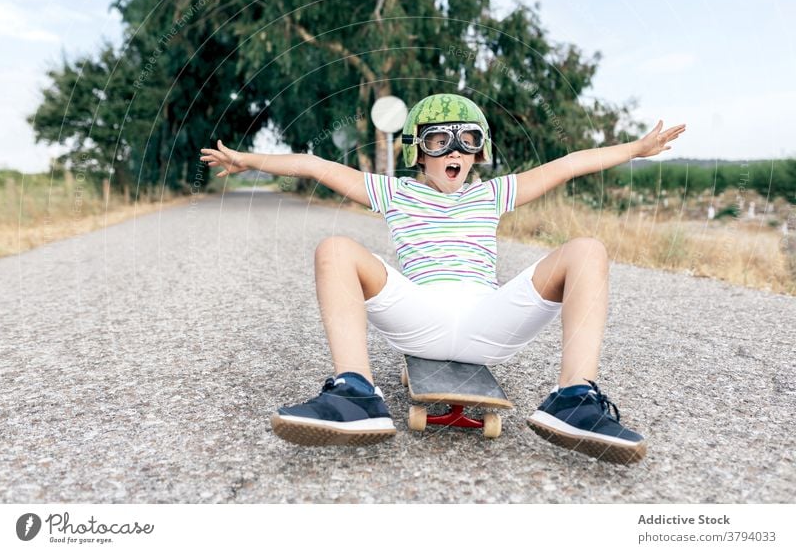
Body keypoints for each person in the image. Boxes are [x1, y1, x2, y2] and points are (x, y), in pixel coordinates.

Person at [200, 93, 685, 464]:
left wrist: (637, 149)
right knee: (334, 249)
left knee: (588, 250)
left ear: (481, 151)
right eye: (439, 141)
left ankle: (575, 398)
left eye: (467, 140)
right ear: (418, 151)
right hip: (420, 315)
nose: (455, 151)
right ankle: (356, 393)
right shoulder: (393, 192)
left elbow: (569, 164)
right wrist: (247, 161)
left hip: (488, 321)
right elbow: (314, 165)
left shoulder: (493, 194)